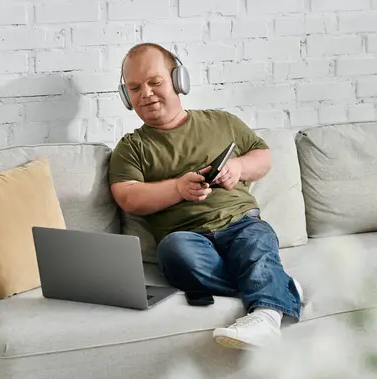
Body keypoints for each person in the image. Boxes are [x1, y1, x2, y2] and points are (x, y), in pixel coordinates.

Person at [107, 42, 303, 350]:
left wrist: (238, 167)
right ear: (126, 97)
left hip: (240, 223)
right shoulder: (132, 148)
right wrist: (177, 188)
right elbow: (128, 197)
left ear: (178, 80)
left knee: (255, 243)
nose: (145, 93)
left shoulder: (221, 121)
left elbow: (263, 157)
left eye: (154, 82)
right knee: (175, 253)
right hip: (185, 237)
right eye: (134, 88)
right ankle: (278, 288)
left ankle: (266, 316)